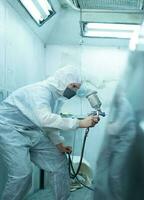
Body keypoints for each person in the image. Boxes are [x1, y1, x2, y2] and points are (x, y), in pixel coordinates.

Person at [0, 66, 100, 200]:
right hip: (9, 128)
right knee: (22, 174)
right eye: (73, 86)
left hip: (32, 130)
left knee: (59, 162)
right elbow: (44, 120)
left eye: (77, 87)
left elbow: (50, 124)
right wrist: (80, 123)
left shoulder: (57, 98)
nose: (75, 91)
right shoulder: (41, 91)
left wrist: (59, 145)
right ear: (62, 81)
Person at [94, 85, 136, 200]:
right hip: (114, 140)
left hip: (123, 142)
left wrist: (93, 123)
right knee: (100, 165)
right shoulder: (115, 103)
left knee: (114, 174)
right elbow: (106, 108)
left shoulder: (124, 105)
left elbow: (115, 129)